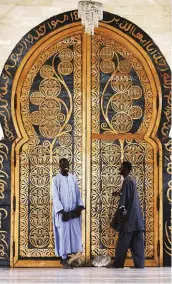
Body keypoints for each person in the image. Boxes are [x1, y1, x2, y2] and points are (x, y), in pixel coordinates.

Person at [107, 161, 145, 268]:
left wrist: (119, 215)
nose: (120, 169)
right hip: (136, 217)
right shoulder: (131, 180)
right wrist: (120, 193)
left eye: (122, 168)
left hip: (129, 217)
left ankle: (118, 264)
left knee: (123, 241)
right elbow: (128, 195)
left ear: (127, 169)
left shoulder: (127, 181)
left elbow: (124, 202)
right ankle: (140, 264)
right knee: (136, 242)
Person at [52, 158, 84, 269]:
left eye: (67, 164)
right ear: (59, 165)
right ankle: (64, 260)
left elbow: (78, 193)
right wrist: (62, 212)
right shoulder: (56, 179)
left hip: (73, 213)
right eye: (63, 164)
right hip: (63, 213)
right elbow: (55, 198)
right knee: (64, 235)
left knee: (73, 235)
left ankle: (67, 258)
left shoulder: (73, 178)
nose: (65, 165)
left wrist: (79, 207)